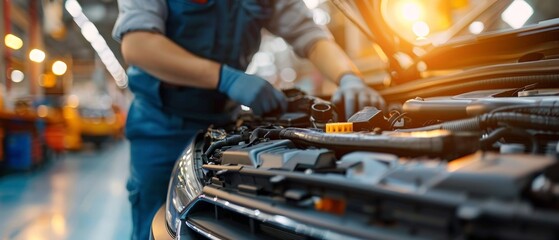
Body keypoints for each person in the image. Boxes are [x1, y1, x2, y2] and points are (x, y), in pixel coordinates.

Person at [112, 0, 384, 239]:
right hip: (161, 125)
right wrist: (226, 77)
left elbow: (310, 36)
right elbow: (138, 44)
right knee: (154, 222)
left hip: (223, 123)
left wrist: (348, 77)